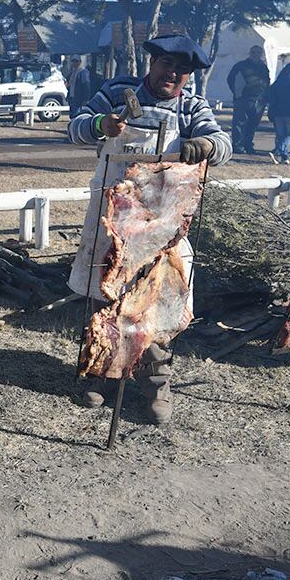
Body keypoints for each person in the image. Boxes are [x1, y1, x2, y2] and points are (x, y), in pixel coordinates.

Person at [68, 35, 231, 424]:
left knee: (156, 304)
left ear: (187, 77)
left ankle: (157, 385)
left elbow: (224, 144)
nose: (171, 75)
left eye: (180, 70)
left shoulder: (192, 106)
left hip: (159, 223)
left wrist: (205, 145)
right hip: (112, 215)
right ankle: (99, 376)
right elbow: (75, 128)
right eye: (165, 65)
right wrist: (99, 124)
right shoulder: (116, 92)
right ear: (152, 64)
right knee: (104, 297)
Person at [226, 45, 270, 155]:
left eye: (258, 52)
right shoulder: (240, 66)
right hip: (243, 100)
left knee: (252, 124)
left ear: (261, 54)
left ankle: (248, 144)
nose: (255, 54)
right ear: (250, 53)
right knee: (239, 124)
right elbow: (230, 79)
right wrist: (238, 94)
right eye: (253, 52)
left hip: (259, 101)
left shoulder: (263, 67)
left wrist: (264, 97)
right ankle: (237, 145)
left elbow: (267, 82)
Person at [267, 63, 290, 165]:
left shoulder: (278, 82)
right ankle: (280, 149)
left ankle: (284, 157)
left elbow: (271, 95)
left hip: (278, 112)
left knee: (281, 135)